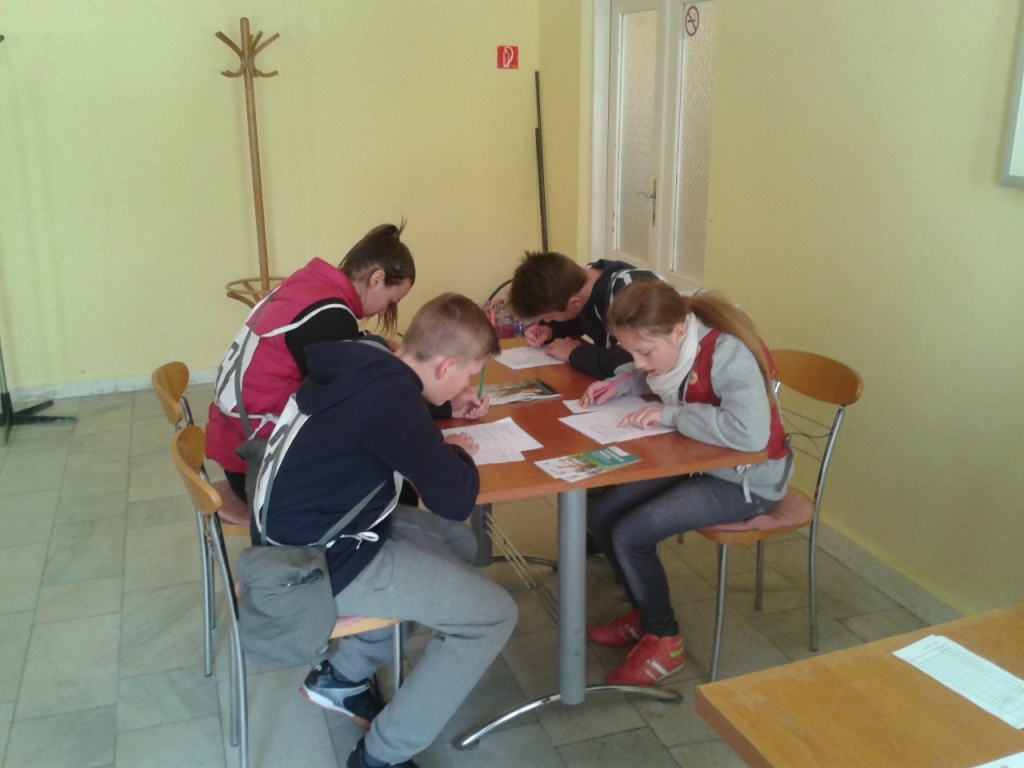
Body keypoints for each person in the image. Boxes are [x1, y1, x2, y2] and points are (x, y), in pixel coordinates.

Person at [252, 293, 517, 768]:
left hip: (310, 534)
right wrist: (459, 453)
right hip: (314, 566)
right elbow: (454, 498)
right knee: (493, 615)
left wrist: (440, 436)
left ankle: (342, 677)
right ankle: (381, 756)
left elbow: (396, 437)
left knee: (457, 541)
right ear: (446, 366)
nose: (466, 385)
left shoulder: (368, 361)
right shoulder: (391, 400)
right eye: (470, 374)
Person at [579, 281, 792, 687]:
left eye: (645, 352)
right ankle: (645, 612)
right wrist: (619, 383)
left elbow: (750, 434)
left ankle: (665, 639)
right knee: (602, 513)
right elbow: (660, 377)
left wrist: (672, 416)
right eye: (630, 352)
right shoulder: (676, 346)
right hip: (700, 460)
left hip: (748, 479)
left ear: (679, 332)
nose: (639, 362)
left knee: (632, 532)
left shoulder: (727, 352)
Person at [206, 223, 487, 502]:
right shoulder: (329, 318)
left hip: (238, 442)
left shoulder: (309, 284)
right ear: (376, 279)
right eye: (392, 301)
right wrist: (443, 410)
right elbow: (369, 404)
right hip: (257, 468)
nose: (385, 312)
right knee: (396, 486)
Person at [507, 251, 664, 379]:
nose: (546, 321)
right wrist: (550, 330)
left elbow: (630, 362)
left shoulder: (630, 292)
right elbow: (581, 320)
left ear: (573, 303)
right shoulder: (580, 281)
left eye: (550, 317)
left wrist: (574, 354)